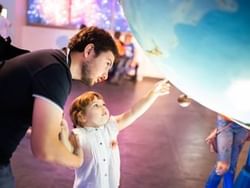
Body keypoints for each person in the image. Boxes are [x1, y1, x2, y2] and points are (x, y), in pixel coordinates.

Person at [0, 26, 118, 188]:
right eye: (107, 63)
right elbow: (45, 149)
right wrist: (78, 160)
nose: (106, 75)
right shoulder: (56, 71)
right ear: (89, 51)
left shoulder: (52, 61)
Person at [60, 79, 170, 188]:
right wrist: (63, 134)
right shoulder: (79, 135)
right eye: (96, 106)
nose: (103, 107)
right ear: (82, 117)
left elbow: (133, 112)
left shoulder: (110, 127)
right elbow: (69, 158)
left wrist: (153, 94)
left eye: (103, 104)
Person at [205, 114, 249, 188]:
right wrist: (219, 128)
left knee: (231, 167)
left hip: (243, 125)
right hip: (227, 121)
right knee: (223, 166)